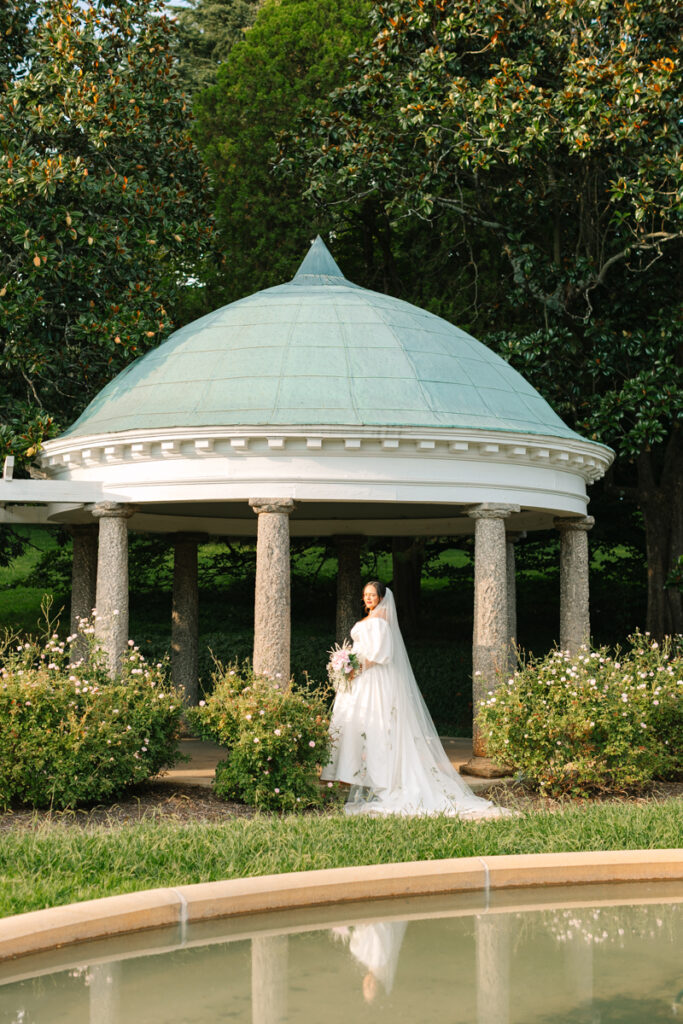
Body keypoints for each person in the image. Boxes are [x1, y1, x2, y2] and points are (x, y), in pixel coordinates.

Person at [322, 581, 511, 818]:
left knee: (377, 727)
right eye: (366, 595)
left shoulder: (381, 623)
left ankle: (379, 777)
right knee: (358, 724)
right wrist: (344, 663)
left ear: (381, 597)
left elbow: (381, 654)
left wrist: (355, 668)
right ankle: (352, 774)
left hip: (372, 678)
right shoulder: (368, 619)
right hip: (360, 679)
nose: (368, 598)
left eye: (373, 595)